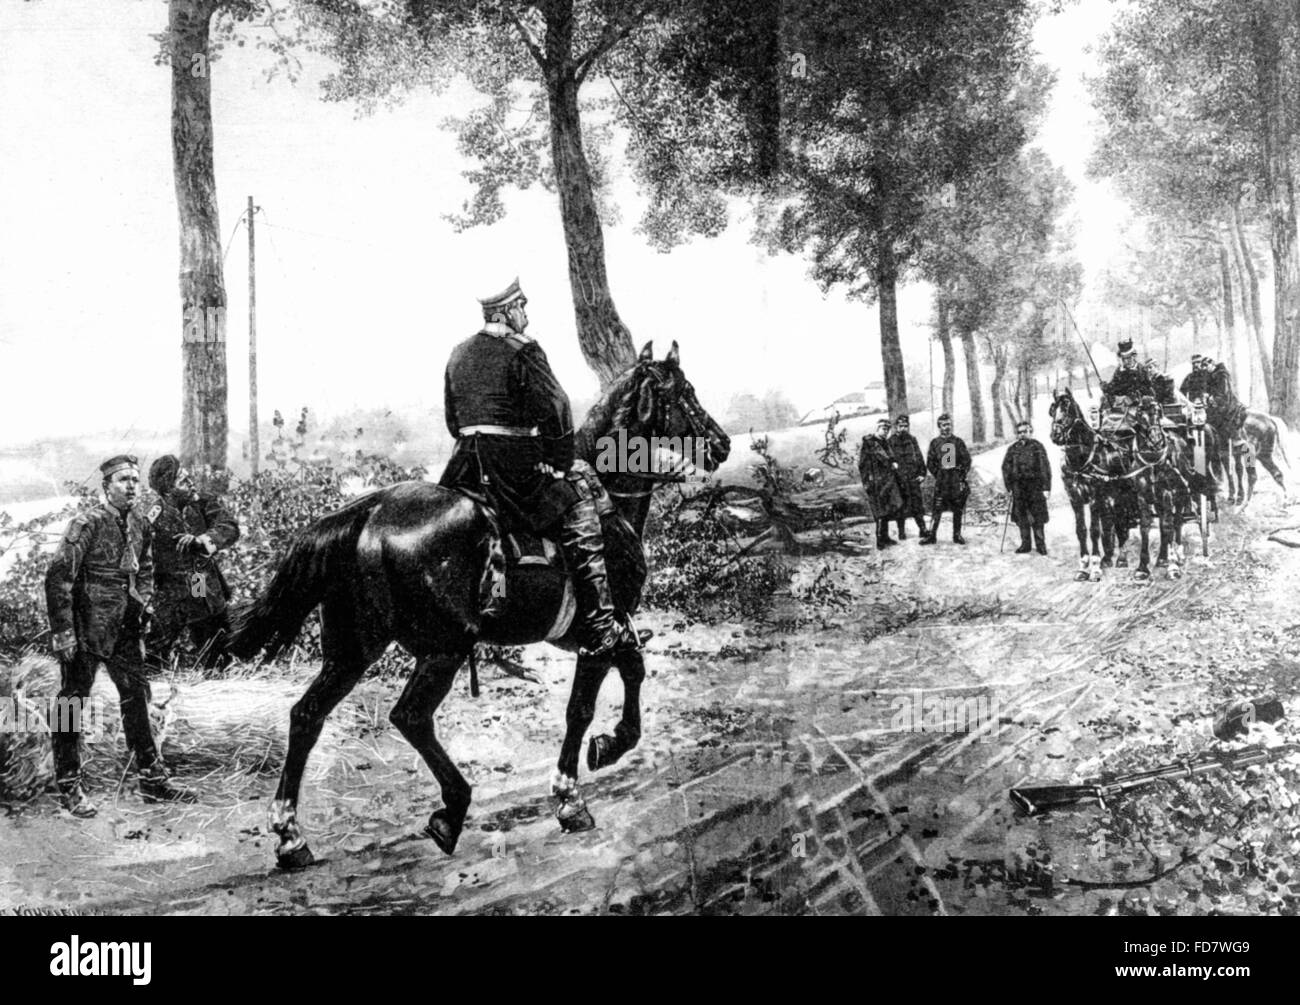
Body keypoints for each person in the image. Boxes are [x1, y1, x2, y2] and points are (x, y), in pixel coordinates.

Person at [439, 278, 637, 657]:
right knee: (582, 506)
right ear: (507, 311)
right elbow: (558, 409)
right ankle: (599, 625)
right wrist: (559, 463)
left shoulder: (458, 352)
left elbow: (453, 421)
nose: (525, 314)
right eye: (522, 306)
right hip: (514, 472)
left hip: (465, 468)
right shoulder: (524, 350)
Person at [44, 455, 193, 817]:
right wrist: (64, 631)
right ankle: (69, 785)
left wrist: (143, 605)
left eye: (135, 480)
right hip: (87, 628)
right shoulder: (87, 523)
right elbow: (58, 578)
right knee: (71, 702)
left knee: (137, 698)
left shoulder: (140, 522)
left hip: (125, 626)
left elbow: (146, 569)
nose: (130, 486)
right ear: (106, 486)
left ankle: (152, 780)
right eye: (123, 479)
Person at [142, 456, 241, 671]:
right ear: (168, 489)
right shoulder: (153, 514)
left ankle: (214, 675)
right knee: (156, 649)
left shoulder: (203, 502)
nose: (191, 484)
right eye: (183, 482)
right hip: (168, 590)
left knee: (210, 630)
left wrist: (202, 540)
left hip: (198, 581)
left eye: (189, 479)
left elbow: (230, 527)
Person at [1001, 420, 1052, 555]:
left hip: (1035, 487)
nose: (1022, 435)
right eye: (1019, 432)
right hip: (1018, 488)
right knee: (1021, 517)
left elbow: (1045, 468)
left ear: (1030, 432)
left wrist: (1046, 487)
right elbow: (1005, 468)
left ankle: (1041, 545)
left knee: (1037, 517)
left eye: (1025, 432)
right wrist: (1009, 486)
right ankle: (1025, 544)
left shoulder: (1037, 447)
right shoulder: (1013, 449)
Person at [922, 413, 972, 545]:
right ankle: (932, 535)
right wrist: (938, 474)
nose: (947, 427)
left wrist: (960, 475)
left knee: (957, 508)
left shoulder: (958, 442)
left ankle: (957, 535)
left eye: (949, 424)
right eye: (944, 425)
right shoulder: (935, 443)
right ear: (939, 427)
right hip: (942, 481)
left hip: (955, 480)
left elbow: (967, 460)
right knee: (937, 507)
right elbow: (930, 462)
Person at [857, 418, 904, 549]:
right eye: (883, 429)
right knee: (880, 510)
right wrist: (867, 481)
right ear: (877, 429)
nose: (885, 432)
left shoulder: (884, 443)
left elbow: (891, 456)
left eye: (887, 430)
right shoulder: (870, 443)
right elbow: (863, 465)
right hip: (876, 482)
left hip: (888, 481)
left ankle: (885, 537)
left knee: (888, 508)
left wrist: (894, 462)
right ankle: (880, 540)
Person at [888, 414, 927, 540]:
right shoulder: (891, 441)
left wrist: (922, 473)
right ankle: (901, 532)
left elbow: (919, 457)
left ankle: (923, 529)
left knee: (917, 504)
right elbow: (888, 461)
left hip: (913, 477)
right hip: (899, 479)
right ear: (896, 427)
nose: (903, 428)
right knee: (900, 506)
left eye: (906, 426)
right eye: (901, 426)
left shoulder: (912, 440)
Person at [1100, 338, 1154, 410]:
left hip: (1138, 407)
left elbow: (1148, 390)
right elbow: (1114, 387)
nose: (1126, 361)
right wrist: (1106, 387)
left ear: (1134, 356)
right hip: (1121, 407)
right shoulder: (1119, 371)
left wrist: (1135, 396)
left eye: (1128, 358)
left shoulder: (1142, 370)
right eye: (1123, 359)